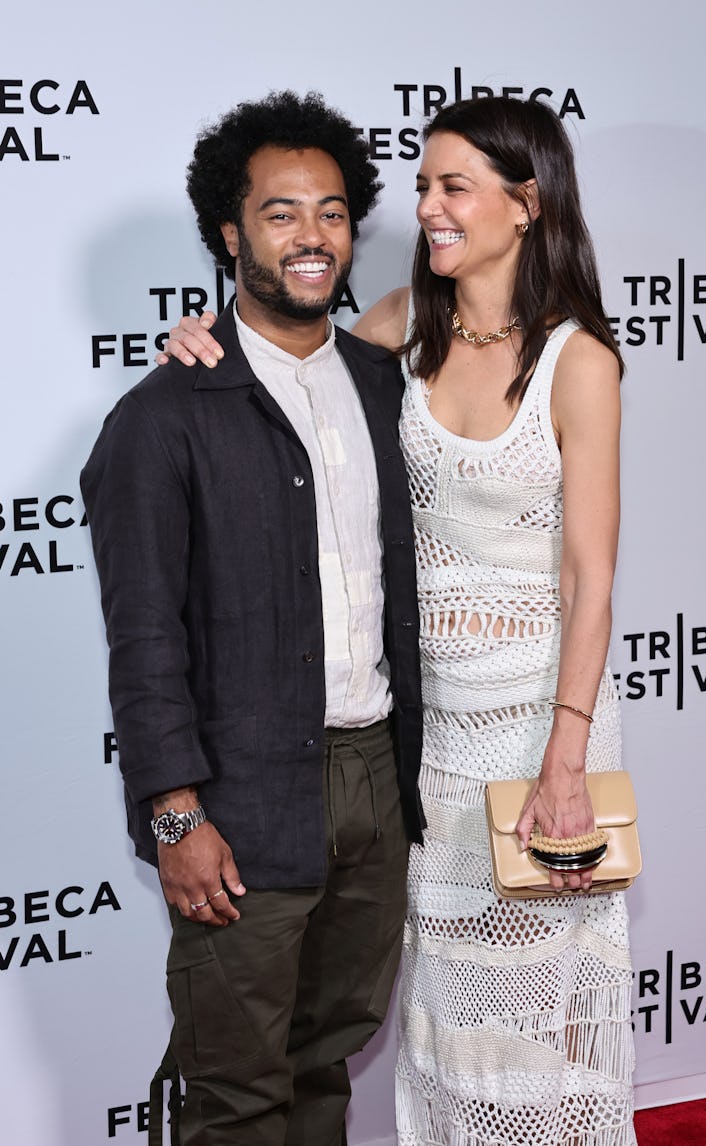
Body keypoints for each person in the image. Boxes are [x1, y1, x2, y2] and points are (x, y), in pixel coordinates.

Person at [161, 96, 635, 1144]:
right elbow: (282, 357)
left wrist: (565, 756)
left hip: (539, 725)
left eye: (452, 186)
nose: (426, 208)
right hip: (422, 738)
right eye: (421, 186)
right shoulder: (401, 324)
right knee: (441, 1016)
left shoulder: (579, 362)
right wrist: (197, 338)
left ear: (527, 202)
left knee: (538, 1013)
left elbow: (589, 580)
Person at [81, 90, 424, 1146]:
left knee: (327, 1065)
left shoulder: (384, 384)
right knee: (235, 1097)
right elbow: (145, 640)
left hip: (376, 783)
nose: (311, 235)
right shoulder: (161, 419)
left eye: (331, 212)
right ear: (229, 235)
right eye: (280, 213)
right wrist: (174, 817)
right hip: (236, 798)